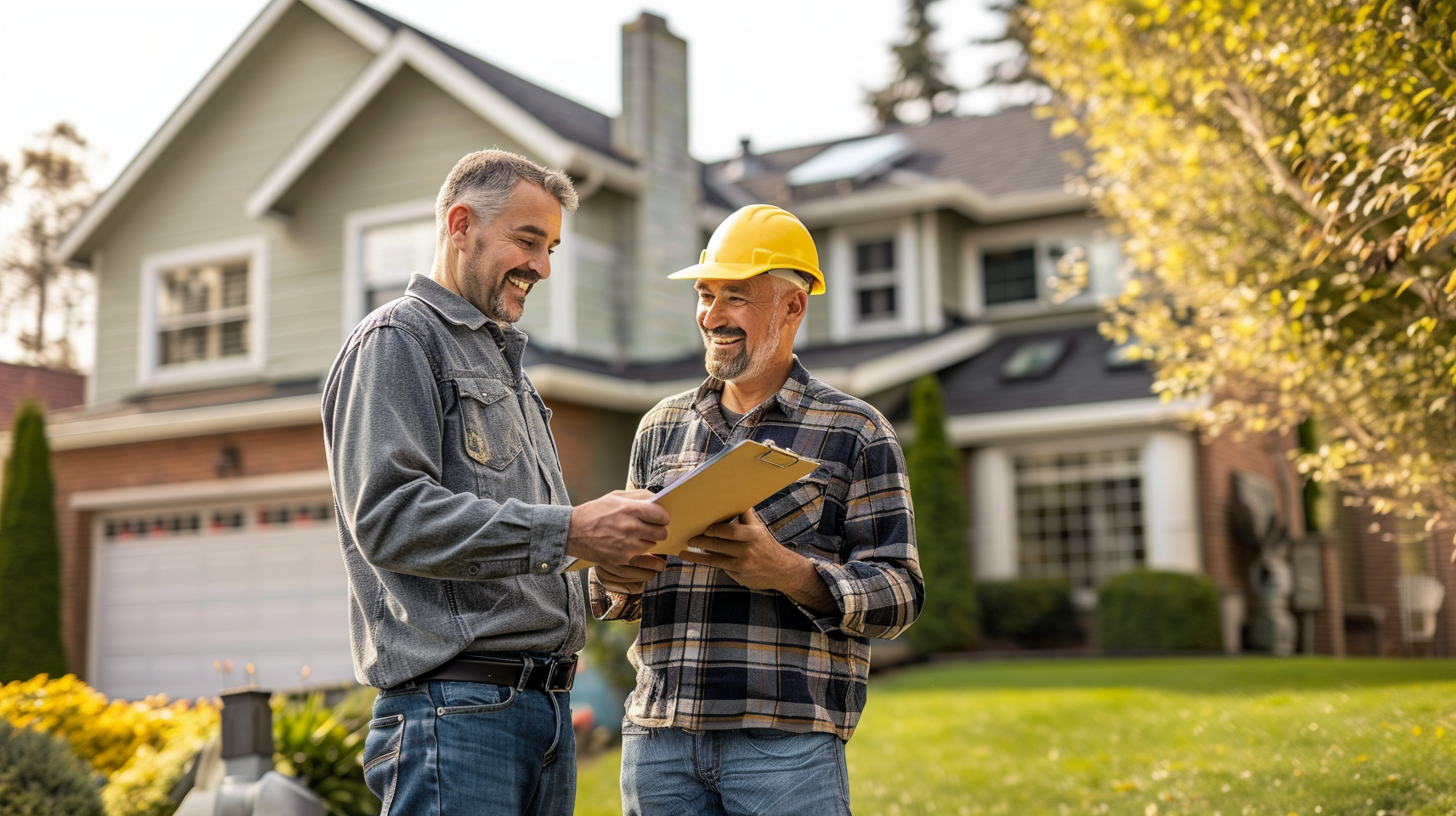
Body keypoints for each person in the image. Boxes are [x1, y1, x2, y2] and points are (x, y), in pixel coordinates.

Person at [322, 149, 670, 816]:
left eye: (551, 248)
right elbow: (390, 518)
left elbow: (513, 550)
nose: (542, 266)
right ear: (461, 225)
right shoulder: (398, 340)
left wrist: (602, 574)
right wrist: (573, 528)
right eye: (528, 240)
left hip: (541, 711)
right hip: (453, 715)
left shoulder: (507, 367)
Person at [590, 204, 924, 816]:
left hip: (784, 743)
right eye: (705, 294)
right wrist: (613, 579)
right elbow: (616, 593)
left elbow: (900, 595)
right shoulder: (659, 428)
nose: (712, 316)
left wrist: (786, 571)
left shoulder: (856, 431)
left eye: (735, 297)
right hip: (659, 738)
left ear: (793, 307)